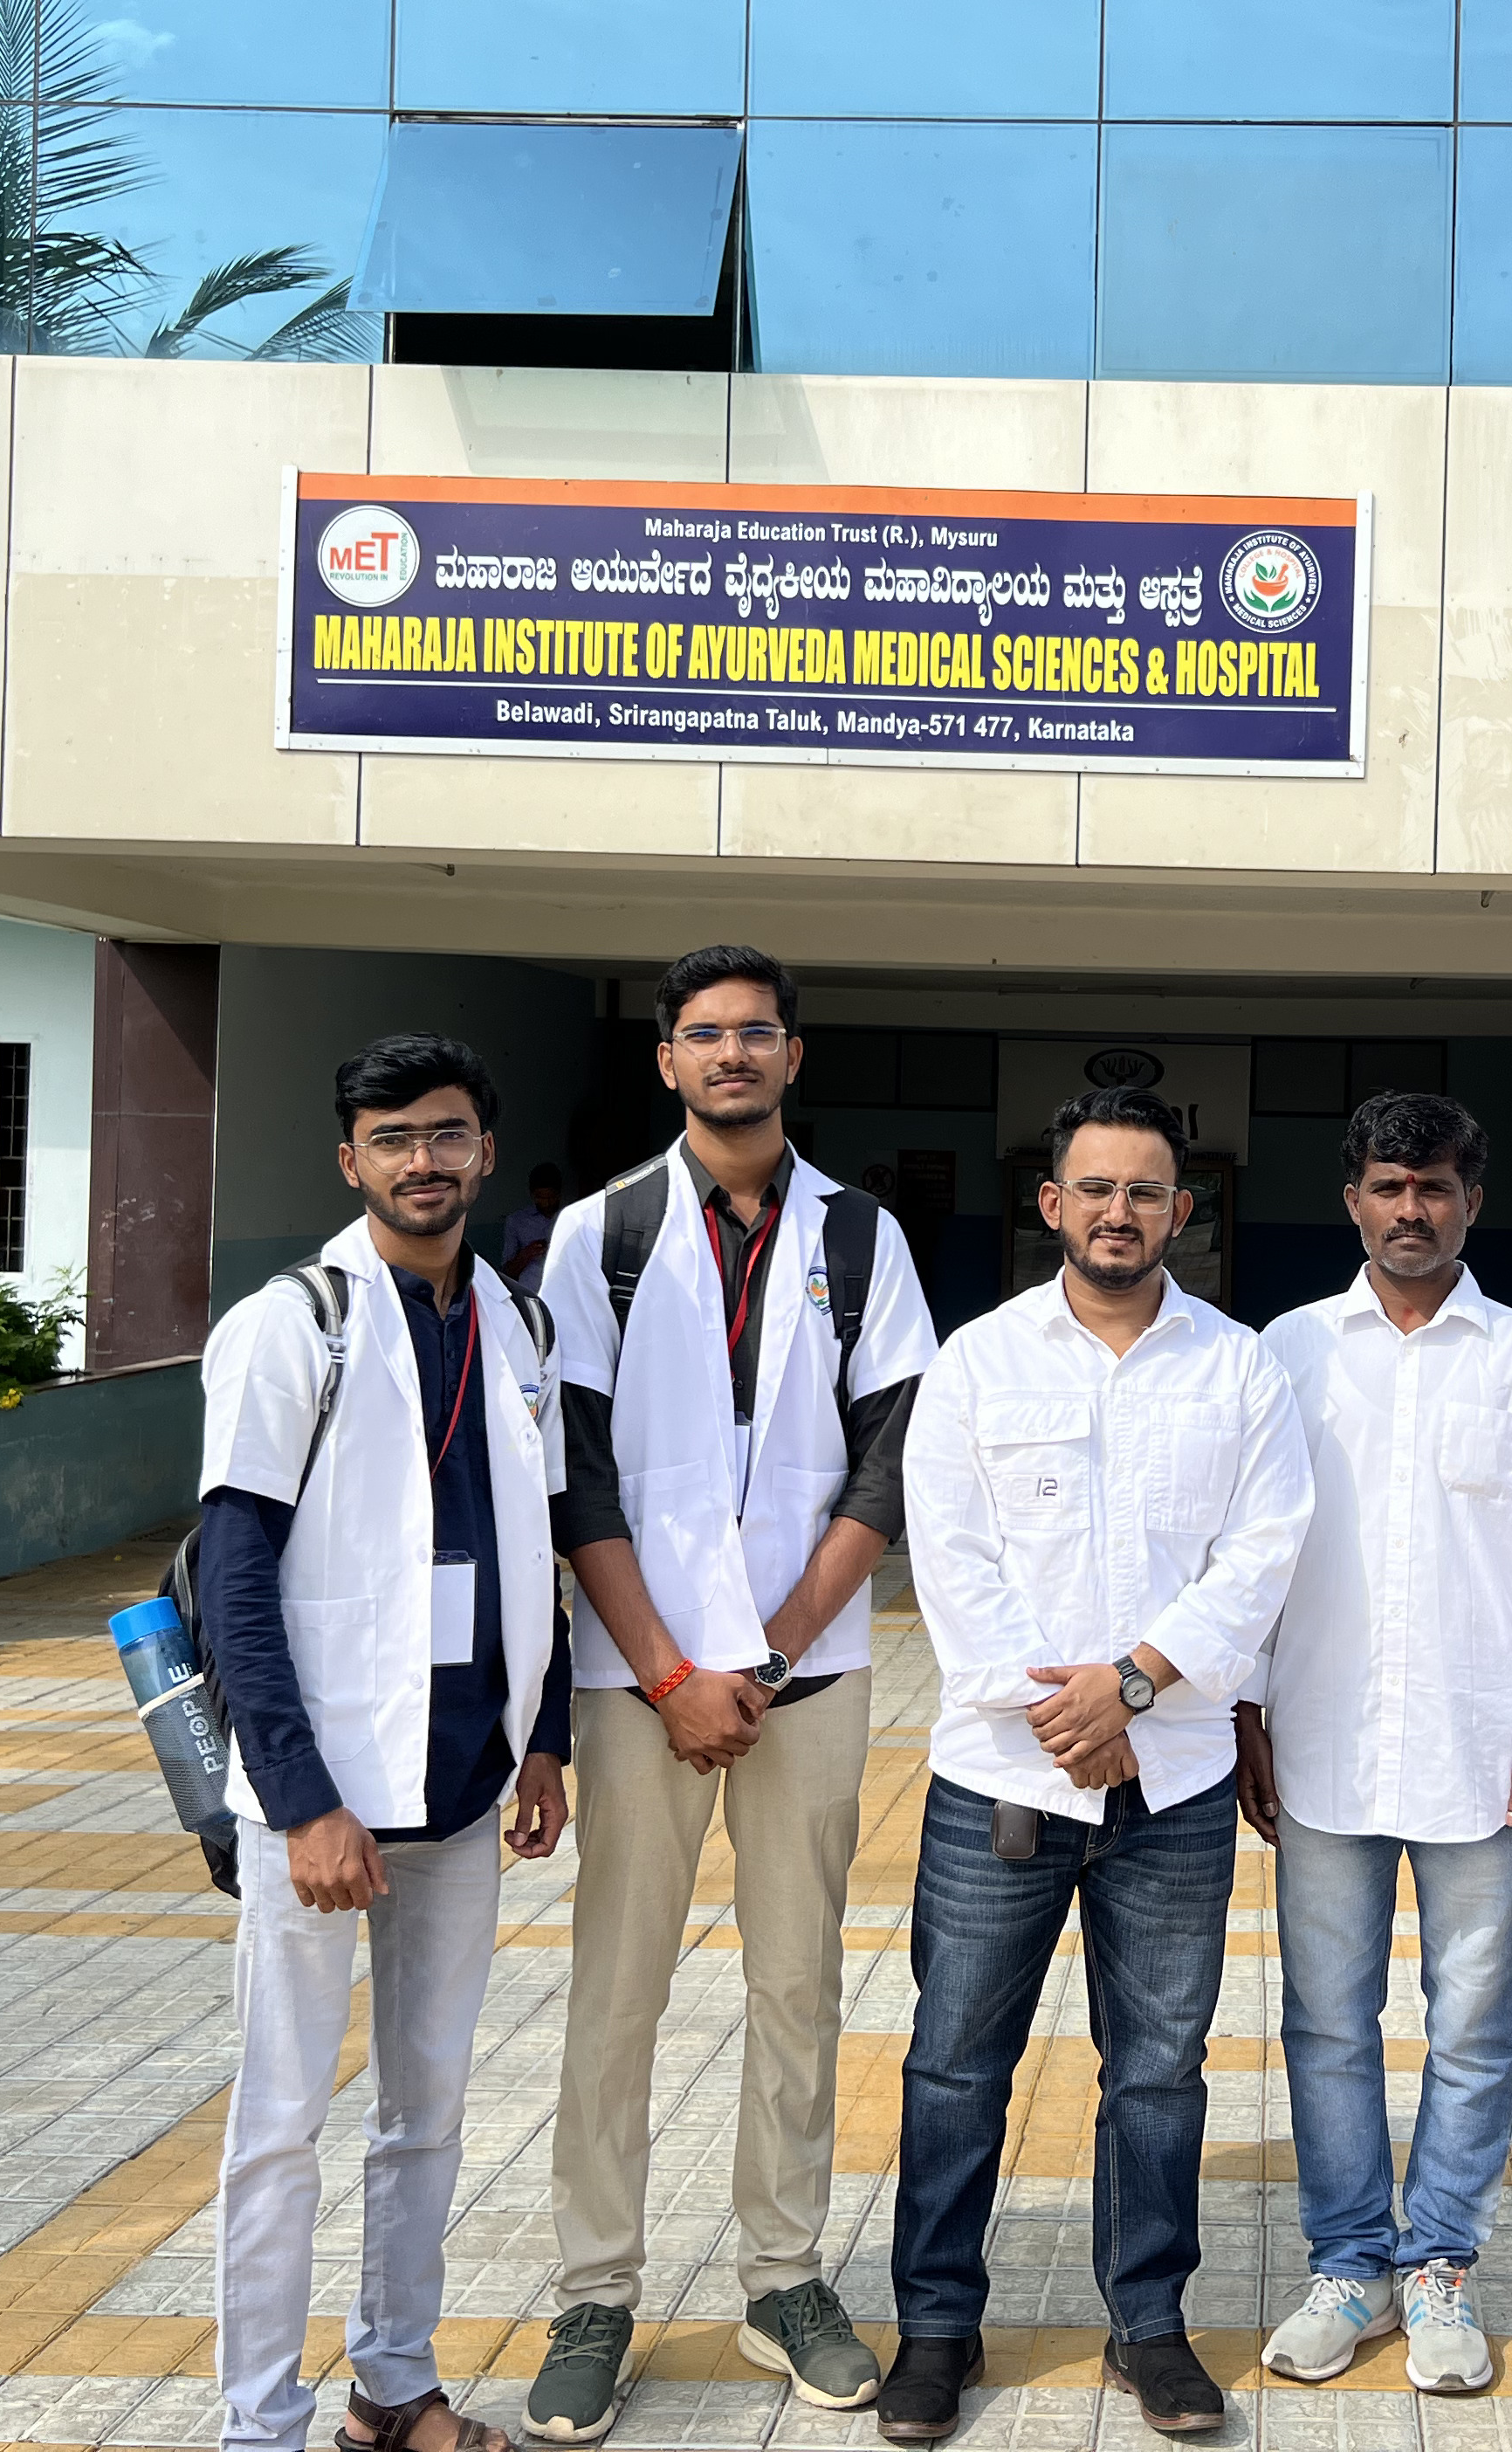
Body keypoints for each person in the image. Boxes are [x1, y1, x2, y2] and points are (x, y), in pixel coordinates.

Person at [523, 945, 938, 2443]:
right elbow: (568, 1460)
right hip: (639, 1676)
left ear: (792, 1052)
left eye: (756, 1031)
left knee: (795, 1982)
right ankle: (594, 2288)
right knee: (617, 1985)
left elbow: (892, 1445)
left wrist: (763, 1650)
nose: (732, 1053)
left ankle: (780, 2274)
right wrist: (668, 1665)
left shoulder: (859, 1231)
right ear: (667, 1060)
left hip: (803, 1674)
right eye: (705, 1033)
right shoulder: (600, 1231)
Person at [879, 1085, 1314, 2443]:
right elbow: (948, 1564)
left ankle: (1149, 2326)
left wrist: (1131, 1687)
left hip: (1173, 1785)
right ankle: (937, 2329)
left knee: (1160, 2069)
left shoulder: (1240, 1366)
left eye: (1147, 1192)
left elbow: (1263, 1553)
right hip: (1001, 1781)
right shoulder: (978, 1363)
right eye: (1095, 1189)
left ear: (1181, 1213)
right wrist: (1067, 1713)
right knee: (955, 2063)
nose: (1120, 1212)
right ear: (1050, 1204)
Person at [194, 1034, 572, 2452]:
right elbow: (235, 1576)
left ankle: (393, 2386)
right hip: (327, 1790)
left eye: (452, 1133)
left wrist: (549, 1738)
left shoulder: (518, 1324)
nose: (427, 1159)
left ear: (484, 1150)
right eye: (396, 1135)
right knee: (282, 2117)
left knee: (428, 2108)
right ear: (349, 1157)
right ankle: (257, 2422)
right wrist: (299, 1799)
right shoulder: (293, 1324)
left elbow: (534, 1551)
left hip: (470, 1781)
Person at [1239, 1092, 1512, 2396]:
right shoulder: (1286, 1351)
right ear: (1352, 1201)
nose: (1410, 1211)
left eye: (1434, 1188)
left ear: (1470, 1201)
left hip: (1481, 1742)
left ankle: (1440, 2263)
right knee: (1326, 2020)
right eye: (1388, 1188)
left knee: (1476, 2021)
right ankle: (1348, 2264)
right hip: (1322, 1732)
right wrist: (1247, 1706)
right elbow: (1254, 1547)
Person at [499, 1162, 564, 1291]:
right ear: (532, 1194)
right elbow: (506, 1274)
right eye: (540, 1197)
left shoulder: (572, 1217)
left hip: (564, 1290)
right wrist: (526, 1255)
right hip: (531, 1293)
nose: (546, 1203)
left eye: (550, 1197)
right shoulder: (516, 1221)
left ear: (559, 1194)